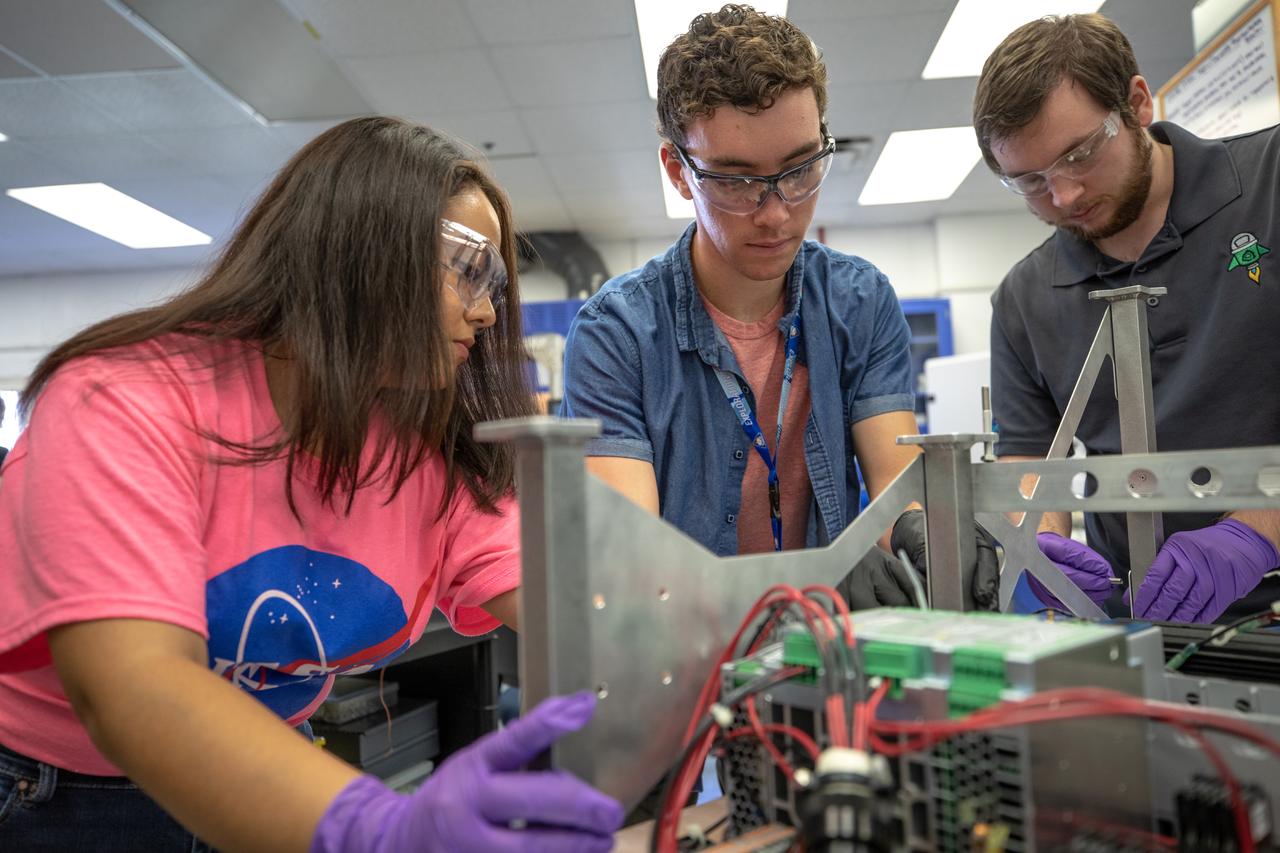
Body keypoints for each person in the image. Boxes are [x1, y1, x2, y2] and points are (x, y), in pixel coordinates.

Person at [0, 117, 622, 851]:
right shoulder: (124, 400)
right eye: (469, 269)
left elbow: (582, 606)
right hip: (60, 796)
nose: (486, 312)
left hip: (273, 770)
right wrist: (376, 829)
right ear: (363, 250)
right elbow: (132, 688)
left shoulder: (422, 447)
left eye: (495, 285)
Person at [561, 4, 998, 611]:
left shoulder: (861, 301)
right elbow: (633, 562)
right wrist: (808, 581)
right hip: (686, 662)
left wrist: (918, 532)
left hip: (835, 655)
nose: (775, 212)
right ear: (677, 171)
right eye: (735, 181)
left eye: (800, 170)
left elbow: (896, 483)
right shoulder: (617, 334)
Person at [976, 13, 1280, 623]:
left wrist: (1258, 532)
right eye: (1029, 181)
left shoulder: (1269, 185)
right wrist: (1037, 544)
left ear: (1137, 104)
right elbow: (1031, 463)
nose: (1063, 197)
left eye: (1080, 154)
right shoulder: (1025, 298)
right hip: (1146, 624)